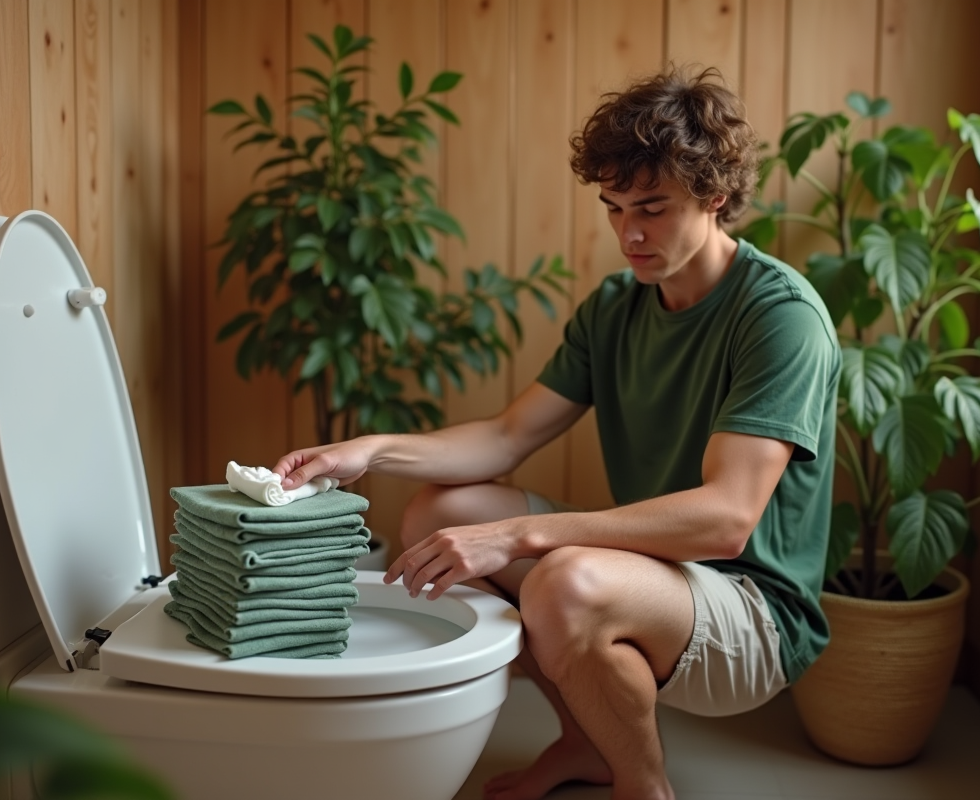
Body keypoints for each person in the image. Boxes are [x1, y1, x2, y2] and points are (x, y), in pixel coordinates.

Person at [273, 66, 840, 800]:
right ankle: (588, 744)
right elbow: (509, 436)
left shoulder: (779, 316)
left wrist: (520, 538)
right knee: (440, 512)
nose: (628, 233)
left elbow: (727, 521)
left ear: (716, 197)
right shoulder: (616, 307)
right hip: (656, 576)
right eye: (612, 207)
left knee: (563, 582)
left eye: (653, 208)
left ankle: (644, 786)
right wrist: (369, 451)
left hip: (754, 611)